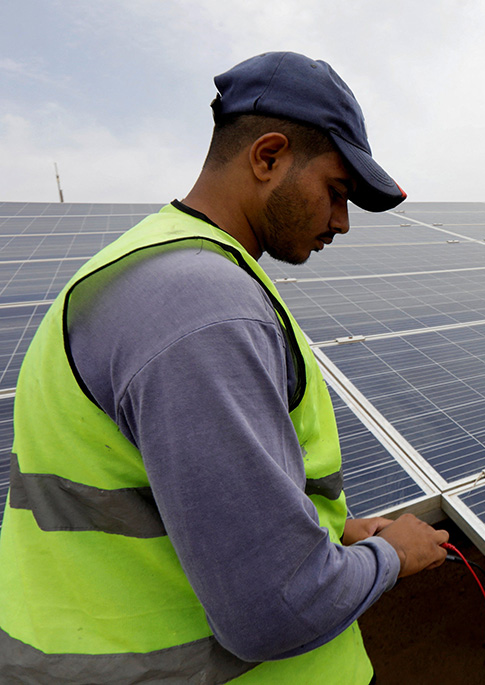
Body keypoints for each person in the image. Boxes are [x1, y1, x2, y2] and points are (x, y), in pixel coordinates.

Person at [0, 51, 448, 684]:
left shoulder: (144, 268)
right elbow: (276, 611)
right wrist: (391, 556)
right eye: (337, 192)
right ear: (267, 157)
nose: (343, 223)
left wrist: (330, 529)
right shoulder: (205, 310)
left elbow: (158, 500)